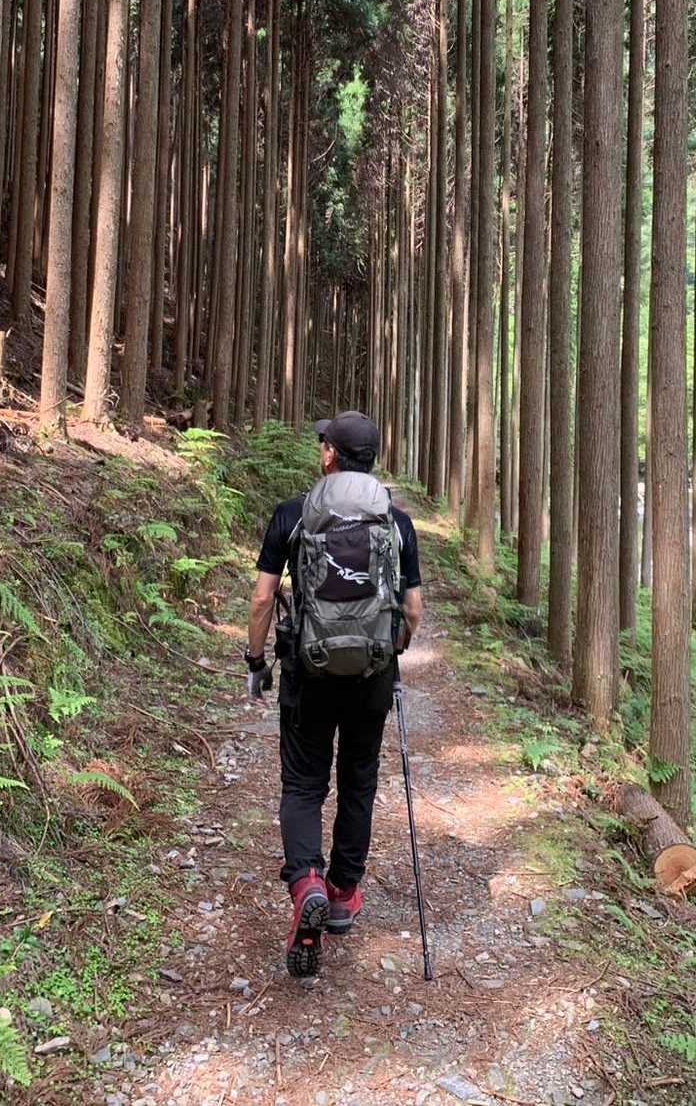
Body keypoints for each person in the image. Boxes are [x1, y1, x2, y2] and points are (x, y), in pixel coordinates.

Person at [245, 410, 423, 977]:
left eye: (323, 444)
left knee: (303, 783)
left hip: (309, 671)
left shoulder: (293, 515)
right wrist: (390, 648)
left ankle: (306, 884)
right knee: (358, 781)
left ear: (330, 457)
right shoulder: (396, 523)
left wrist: (257, 662)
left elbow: (262, 598)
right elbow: (413, 609)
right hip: (371, 676)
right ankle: (343, 893)